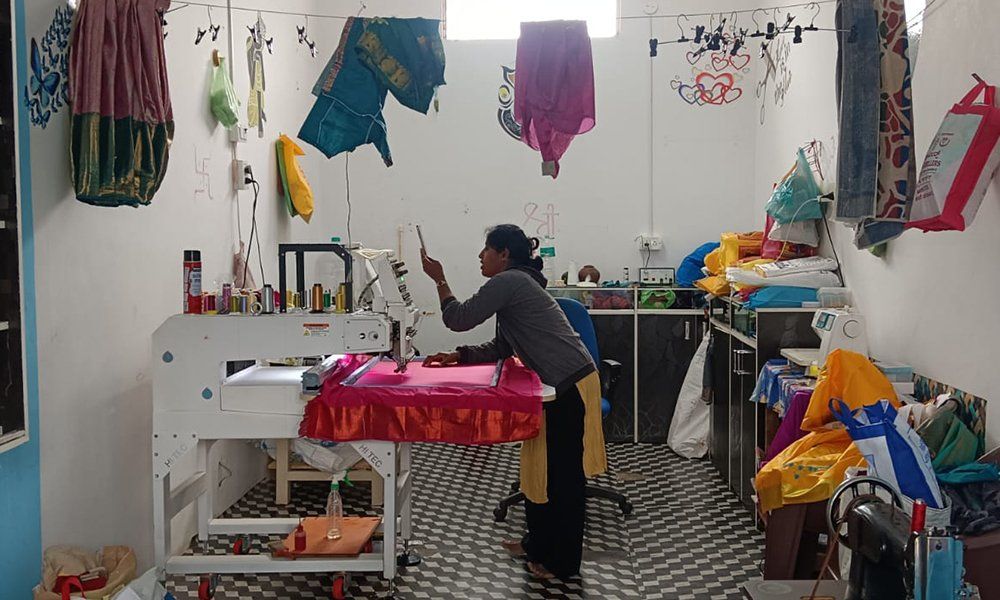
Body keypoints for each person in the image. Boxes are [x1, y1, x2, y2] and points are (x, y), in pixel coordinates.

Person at [420, 224, 607, 580]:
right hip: (556, 386)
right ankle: (537, 543)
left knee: (564, 478)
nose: (480, 256)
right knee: (538, 465)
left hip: (571, 386)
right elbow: (503, 347)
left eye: (485, 249)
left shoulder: (508, 283)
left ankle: (563, 564)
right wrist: (458, 357)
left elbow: (457, 318)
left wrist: (439, 280)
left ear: (503, 254)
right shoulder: (519, 285)